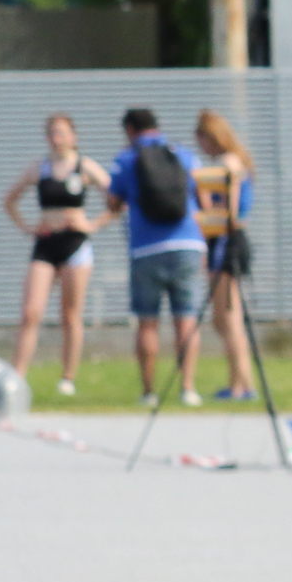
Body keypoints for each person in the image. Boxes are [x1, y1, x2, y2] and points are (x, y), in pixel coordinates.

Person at [3, 113, 110, 396]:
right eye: (52, 132)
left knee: (70, 314)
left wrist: (93, 224)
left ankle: (67, 378)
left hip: (75, 243)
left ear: (73, 136)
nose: (56, 138)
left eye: (62, 132)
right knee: (31, 312)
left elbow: (117, 199)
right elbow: (10, 200)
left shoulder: (84, 166)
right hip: (46, 243)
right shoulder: (39, 168)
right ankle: (16, 377)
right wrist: (28, 227)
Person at [105, 107, 204, 408]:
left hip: (146, 248)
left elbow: (112, 202)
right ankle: (188, 388)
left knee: (148, 322)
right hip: (188, 243)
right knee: (186, 320)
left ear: (130, 130)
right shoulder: (183, 154)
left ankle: (148, 391)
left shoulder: (126, 159)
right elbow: (202, 194)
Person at [193, 111, 259, 402]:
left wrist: (205, 220)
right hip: (222, 239)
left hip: (228, 240)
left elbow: (228, 211)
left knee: (229, 318)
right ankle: (237, 380)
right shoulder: (232, 161)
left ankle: (243, 384)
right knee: (221, 318)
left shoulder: (228, 164)